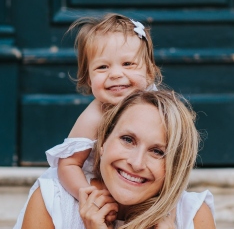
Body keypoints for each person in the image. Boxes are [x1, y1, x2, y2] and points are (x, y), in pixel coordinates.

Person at [3, 90, 226, 229]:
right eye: (128, 140)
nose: (136, 163)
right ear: (103, 142)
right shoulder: (54, 200)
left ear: (175, 166)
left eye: (158, 152)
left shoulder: (190, 215)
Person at [47, 13, 161, 206]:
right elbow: (68, 164)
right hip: (102, 191)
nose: (116, 74)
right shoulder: (94, 116)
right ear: (89, 79)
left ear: (149, 72)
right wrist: (85, 193)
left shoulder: (159, 108)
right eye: (102, 67)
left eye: (128, 64)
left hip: (144, 186)